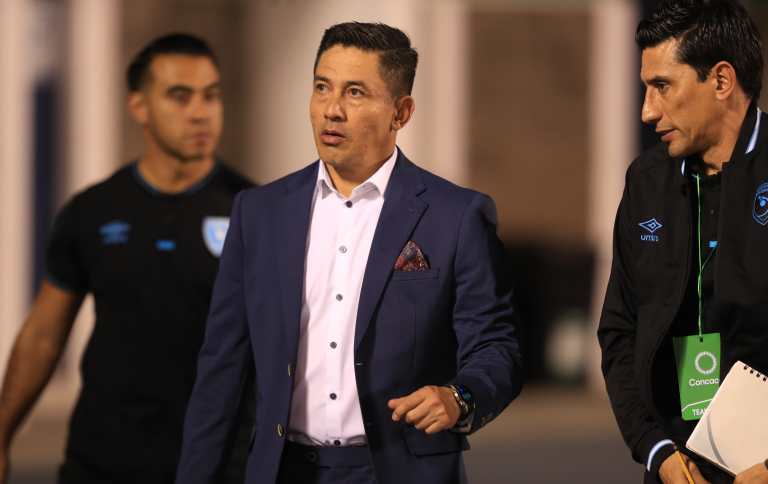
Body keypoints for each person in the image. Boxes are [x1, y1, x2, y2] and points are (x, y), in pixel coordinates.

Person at [175, 22, 522, 484]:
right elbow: (221, 371)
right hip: (284, 470)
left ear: (401, 112)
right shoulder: (258, 213)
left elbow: (497, 347)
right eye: (322, 87)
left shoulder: (456, 216)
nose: (331, 109)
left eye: (355, 93)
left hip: (400, 472)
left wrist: (460, 397)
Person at [0, 33, 254, 484]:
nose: (200, 112)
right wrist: (1, 434)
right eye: (180, 96)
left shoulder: (257, 211)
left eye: (211, 96)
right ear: (139, 106)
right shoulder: (91, 211)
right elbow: (43, 336)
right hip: (102, 463)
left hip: (215, 468)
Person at [598, 1, 768, 483]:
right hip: (677, 466)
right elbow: (619, 331)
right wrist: (655, 449)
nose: (647, 111)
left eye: (662, 86)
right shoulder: (646, 181)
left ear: (721, 80)